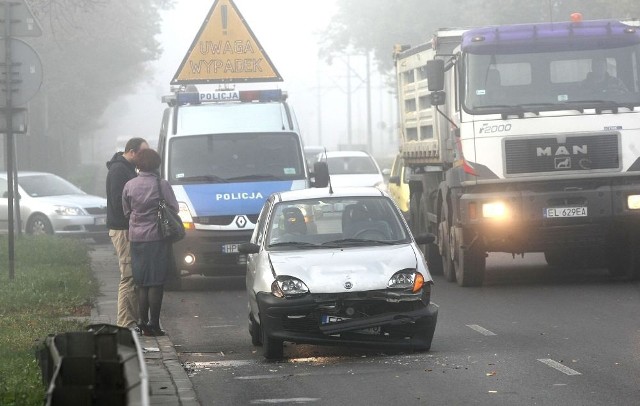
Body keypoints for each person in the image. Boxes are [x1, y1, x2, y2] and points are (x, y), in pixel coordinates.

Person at [122, 148, 179, 337]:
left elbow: (126, 210)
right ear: (156, 164)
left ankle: (141, 321)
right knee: (155, 282)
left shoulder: (129, 185)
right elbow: (174, 207)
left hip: (136, 238)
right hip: (156, 238)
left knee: (141, 282)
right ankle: (154, 324)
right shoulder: (161, 184)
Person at [106, 137, 149, 329]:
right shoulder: (118, 171)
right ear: (131, 151)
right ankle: (125, 323)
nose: (144, 157)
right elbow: (118, 203)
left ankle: (132, 320)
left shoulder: (127, 169)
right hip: (122, 230)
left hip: (128, 228)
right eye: (142, 152)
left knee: (133, 275)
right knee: (128, 275)